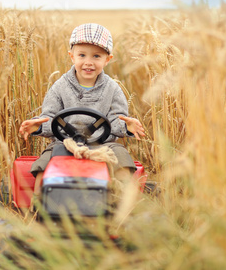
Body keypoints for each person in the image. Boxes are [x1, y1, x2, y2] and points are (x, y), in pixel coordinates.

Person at [18, 23, 145, 202]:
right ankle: (39, 206)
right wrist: (38, 126)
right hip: (65, 143)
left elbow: (116, 119)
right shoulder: (60, 86)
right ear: (72, 56)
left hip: (103, 144)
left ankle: (123, 206)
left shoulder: (112, 89)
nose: (88, 62)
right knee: (45, 164)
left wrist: (127, 126)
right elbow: (50, 117)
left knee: (122, 159)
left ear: (107, 59)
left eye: (96, 56)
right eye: (82, 55)